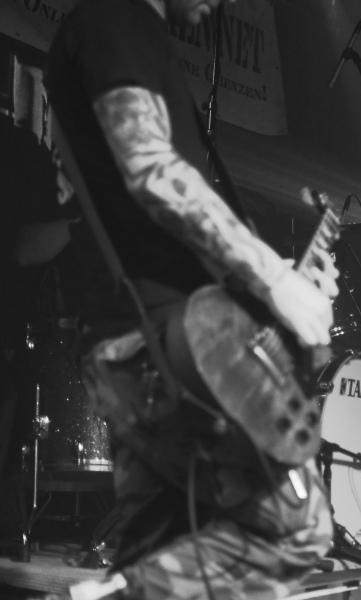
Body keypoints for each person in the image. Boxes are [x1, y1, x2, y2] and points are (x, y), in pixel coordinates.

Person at [45, 0, 339, 597]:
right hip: (160, 340)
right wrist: (272, 279)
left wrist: (277, 279)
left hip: (148, 339)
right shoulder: (116, 19)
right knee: (296, 528)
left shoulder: (130, 32)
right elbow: (150, 169)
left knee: (165, 548)